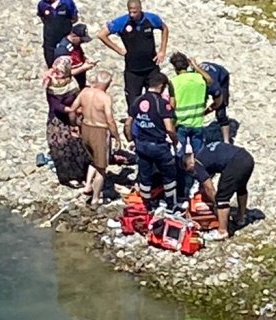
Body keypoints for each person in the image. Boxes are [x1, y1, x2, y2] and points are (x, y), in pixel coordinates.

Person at [125, 71, 179, 213]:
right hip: (159, 146)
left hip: (141, 145)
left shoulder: (137, 100)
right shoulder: (162, 103)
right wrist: (175, 142)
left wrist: (130, 138)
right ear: (161, 86)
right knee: (169, 176)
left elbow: (128, 123)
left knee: (145, 176)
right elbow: (169, 129)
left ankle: (147, 206)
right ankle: (171, 205)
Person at [98, 0, 170, 103]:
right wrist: (118, 49)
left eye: (135, 12)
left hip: (151, 67)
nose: (132, 15)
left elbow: (164, 28)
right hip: (133, 70)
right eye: (130, 12)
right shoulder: (122, 22)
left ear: (140, 9)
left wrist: (162, 50)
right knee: (133, 101)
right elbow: (102, 35)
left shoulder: (151, 19)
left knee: (156, 99)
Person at [184, 139, 254, 239]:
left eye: (191, 171)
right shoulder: (204, 152)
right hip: (246, 157)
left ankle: (222, 231)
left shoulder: (196, 164)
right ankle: (240, 218)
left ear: (190, 164)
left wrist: (215, 204)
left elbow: (209, 188)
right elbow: (210, 172)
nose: (194, 173)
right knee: (241, 187)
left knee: (222, 198)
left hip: (235, 163)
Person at [70, 70, 120, 206]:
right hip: (100, 130)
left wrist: (74, 124)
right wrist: (117, 137)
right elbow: (110, 120)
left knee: (93, 159)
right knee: (102, 167)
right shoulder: (105, 98)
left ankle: (87, 186)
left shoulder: (85, 92)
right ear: (108, 84)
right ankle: (96, 198)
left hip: (86, 128)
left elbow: (73, 109)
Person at [42, 56, 90, 187]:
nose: (57, 74)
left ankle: (82, 174)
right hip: (57, 120)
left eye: (60, 72)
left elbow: (77, 97)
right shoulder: (52, 84)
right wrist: (70, 109)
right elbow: (55, 105)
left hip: (73, 118)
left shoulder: (72, 82)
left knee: (78, 147)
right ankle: (68, 177)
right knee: (62, 148)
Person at [167, 52, 210, 154]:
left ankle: (180, 169)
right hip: (197, 121)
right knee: (199, 153)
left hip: (180, 122)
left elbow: (172, 104)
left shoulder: (173, 82)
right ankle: (200, 169)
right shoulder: (198, 78)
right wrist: (196, 67)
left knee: (180, 151)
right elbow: (209, 80)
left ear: (174, 67)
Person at [37, 0, 78, 69]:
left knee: (66, 67)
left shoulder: (67, 3)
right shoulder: (42, 5)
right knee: (52, 67)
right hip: (49, 42)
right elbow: (42, 18)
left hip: (64, 41)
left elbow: (74, 18)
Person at [191, 59, 231, 143]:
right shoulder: (193, 80)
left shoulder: (213, 86)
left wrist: (205, 112)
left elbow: (217, 103)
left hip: (221, 75)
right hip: (207, 71)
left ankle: (226, 140)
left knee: (221, 111)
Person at [55, 22, 95, 90]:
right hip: (71, 82)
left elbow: (78, 53)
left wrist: (86, 59)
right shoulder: (63, 50)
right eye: (81, 39)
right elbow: (64, 73)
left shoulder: (75, 43)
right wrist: (84, 68)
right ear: (74, 36)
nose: (82, 42)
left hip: (80, 75)